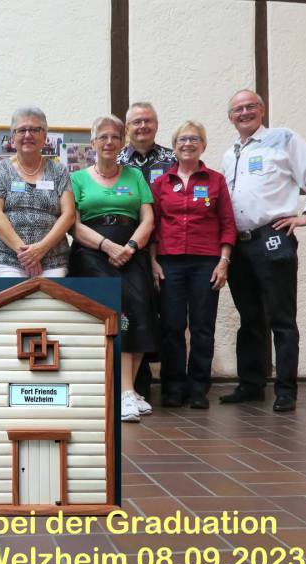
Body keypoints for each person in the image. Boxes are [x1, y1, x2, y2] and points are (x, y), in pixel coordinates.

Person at [220, 90, 306, 412]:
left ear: (262, 109)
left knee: (281, 318)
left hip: (272, 236)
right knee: (249, 318)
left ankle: (285, 390)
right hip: (240, 244)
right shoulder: (230, 154)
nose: (244, 112)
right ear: (230, 117)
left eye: (250, 106)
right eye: (238, 109)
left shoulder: (283, 139)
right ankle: (251, 384)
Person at [70, 115, 159, 423]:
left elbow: (148, 219)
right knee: (118, 310)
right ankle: (123, 391)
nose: (109, 142)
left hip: (132, 250)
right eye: (103, 137)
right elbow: (73, 224)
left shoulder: (135, 176)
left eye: (115, 137)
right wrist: (107, 246)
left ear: (123, 143)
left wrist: (131, 247)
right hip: (92, 252)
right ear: (93, 143)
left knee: (141, 309)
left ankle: (127, 390)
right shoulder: (77, 178)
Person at [150, 121, 237, 410]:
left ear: (203, 145)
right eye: (182, 139)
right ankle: (173, 387)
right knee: (172, 326)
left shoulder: (216, 181)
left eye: (194, 139)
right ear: (174, 147)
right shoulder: (161, 183)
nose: (188, 143)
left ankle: (198, 388)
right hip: (170, 262)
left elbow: (227, 223)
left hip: (206, 262)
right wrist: (153, 262)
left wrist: (223, 262)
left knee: (202, 327)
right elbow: (153, 226)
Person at [118, 102, 177, 398]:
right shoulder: (116, 159)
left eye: (148, 121)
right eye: (136, 122)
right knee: (133, 314)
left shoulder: (173, 159)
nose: (143, 126)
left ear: (156, 124)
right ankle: (137, 385)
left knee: (169, 318)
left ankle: (172, 386)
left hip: (167, 247)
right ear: (127, 128)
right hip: (127, 249)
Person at [0, 106, 75, 277]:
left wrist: (40, 249)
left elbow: (69, 215)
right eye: (21, 130)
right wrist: (27, 255)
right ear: (13, 137)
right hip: (8, 260)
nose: (28, 135)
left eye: (34, 130)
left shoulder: (59, 171)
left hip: (53, 260)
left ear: (45, 136)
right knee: (11, 295)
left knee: (50, 296)